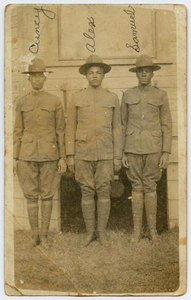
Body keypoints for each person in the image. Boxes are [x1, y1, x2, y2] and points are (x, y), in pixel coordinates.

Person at [66, 55, 122, 247]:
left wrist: (117, 156)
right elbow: (70, 128)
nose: (95, 76)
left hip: (106, 153)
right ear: (86, 75)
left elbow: (117, 129)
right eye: (91, 73)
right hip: (83, 153)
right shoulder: (76, 98)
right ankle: (90, 233)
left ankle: (102, 233)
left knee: (104, 191)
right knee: (87, 191)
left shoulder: (112, 98)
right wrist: (70, 155)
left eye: (98, 72)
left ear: (104, 75)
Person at [13, 58, 66, 249]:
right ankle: (34, 235)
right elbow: (17, 130)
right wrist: (14, 157)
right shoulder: (22, 102)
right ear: (29, 79)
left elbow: (61, 130)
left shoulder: (55, 101)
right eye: (33, 76)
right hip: (27, 155)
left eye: (40, 76)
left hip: (49, 155)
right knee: (30, 196)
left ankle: (44, 235)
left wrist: (62, 157)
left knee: (47, 195)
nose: (36, 80)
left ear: (45, 78)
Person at [121, 55, 172, 243]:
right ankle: (136, 231)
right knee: (136, 187)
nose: (144, 74)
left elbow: (166, 124)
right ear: (136, 74)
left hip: (154, 148)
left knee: (150, 187)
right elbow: (122, 124)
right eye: (141, 71)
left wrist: (166, 152)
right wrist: (123, 152)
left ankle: (152, 231)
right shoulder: (128, 95)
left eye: (147, 71)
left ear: (152, 73)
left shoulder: (161, 95)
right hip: (132, 148)